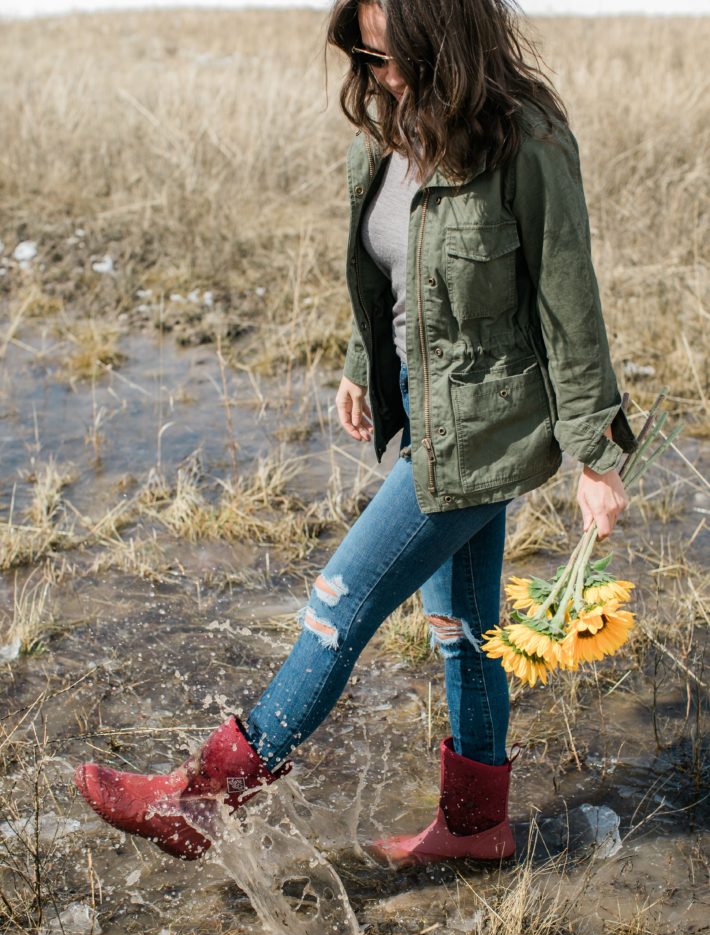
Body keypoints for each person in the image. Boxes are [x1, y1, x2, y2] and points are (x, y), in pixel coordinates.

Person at [73, 0, 635, 867]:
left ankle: (208, 797)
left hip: (483, 429)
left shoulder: (525, 138)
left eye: (393, 55)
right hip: (424, 403)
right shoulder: (390, 129)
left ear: (442, 32)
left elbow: (569, 298)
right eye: (367, 58)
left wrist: (596, 453)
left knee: (340, 603)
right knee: (467, 629)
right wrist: (359, 361)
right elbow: (392, 268)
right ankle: (477, 825)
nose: (381, 74)